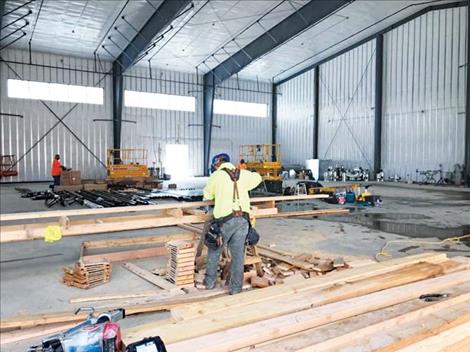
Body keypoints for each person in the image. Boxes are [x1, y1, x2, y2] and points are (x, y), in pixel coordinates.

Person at [203, 153, 262, 295]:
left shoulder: (216, 176)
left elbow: (207, 196)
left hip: (224, 221)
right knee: (238, 256)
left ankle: (209, 283)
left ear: (217, 164)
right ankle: (235, 289)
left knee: (215, 250)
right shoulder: (243, 173)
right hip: (243, 220)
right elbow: (258, 178)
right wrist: (245, 169)